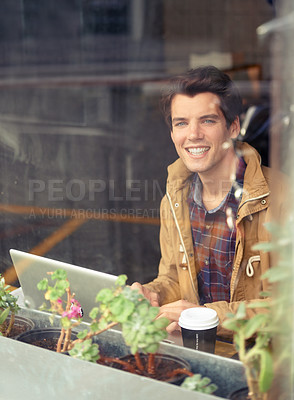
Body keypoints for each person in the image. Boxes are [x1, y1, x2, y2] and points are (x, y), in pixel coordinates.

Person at [131, 65, 286, 337]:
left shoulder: (285, 199)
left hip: (265, 367)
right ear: (171, 133)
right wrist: (152, 294)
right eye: (181, 123)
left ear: (233, 126)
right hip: (200, 354)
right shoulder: (175, 197)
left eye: (208, 120)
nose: (193, 135)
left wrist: (208, 317)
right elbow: (173, 279)